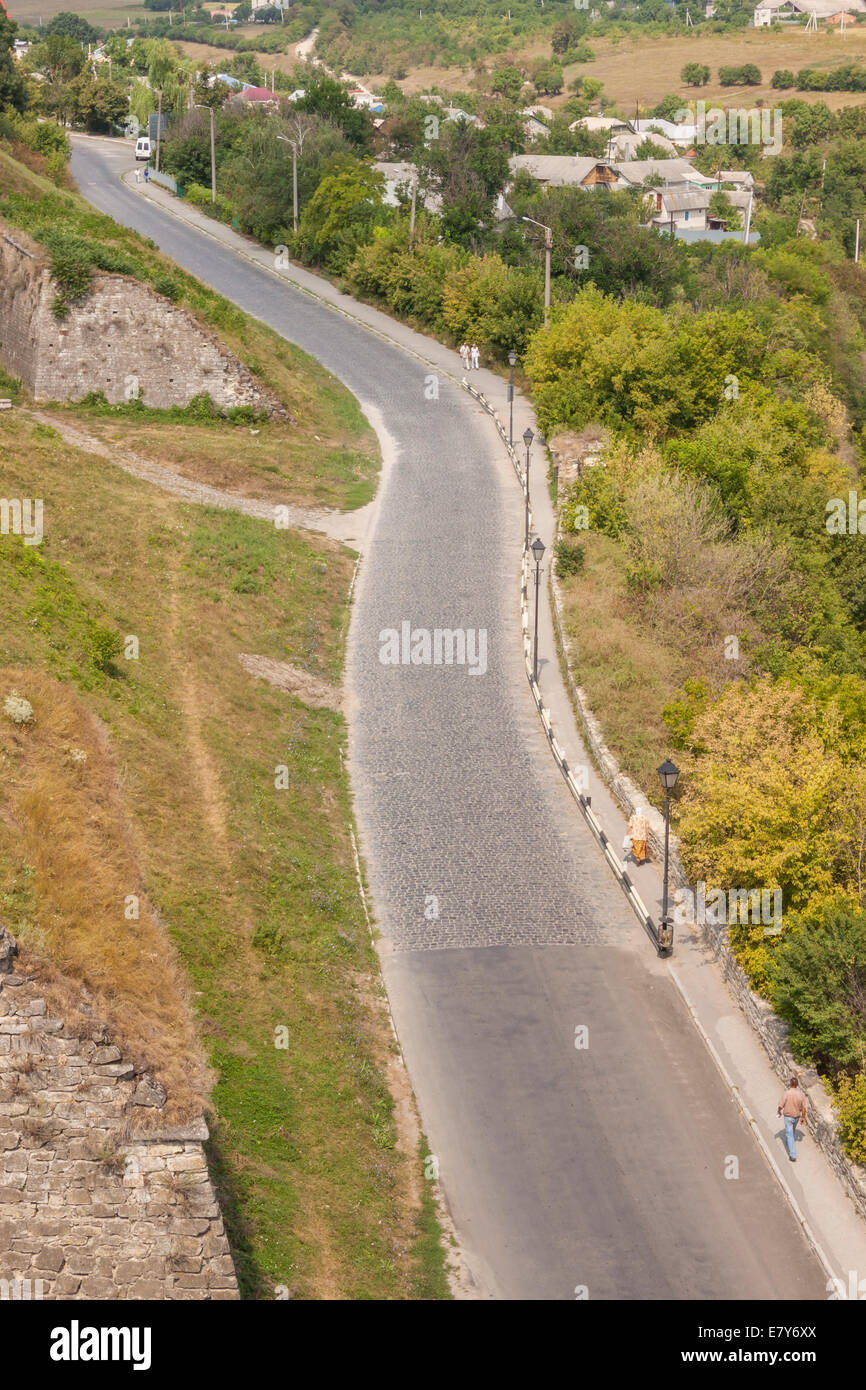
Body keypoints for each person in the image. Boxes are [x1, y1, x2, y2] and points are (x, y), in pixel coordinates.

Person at [778, 1076, 807, 1161]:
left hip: (788, 1117)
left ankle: (792, 1155)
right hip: (797, 1117)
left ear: (790, 1084)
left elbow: (780, 1105)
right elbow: (804, 1108)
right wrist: (803, 1117)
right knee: (792, 1131)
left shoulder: (787, 1093)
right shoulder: (801, 1095)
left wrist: (778, 1111)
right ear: (797, 1085)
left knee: (790, 1134)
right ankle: (789, 1142)